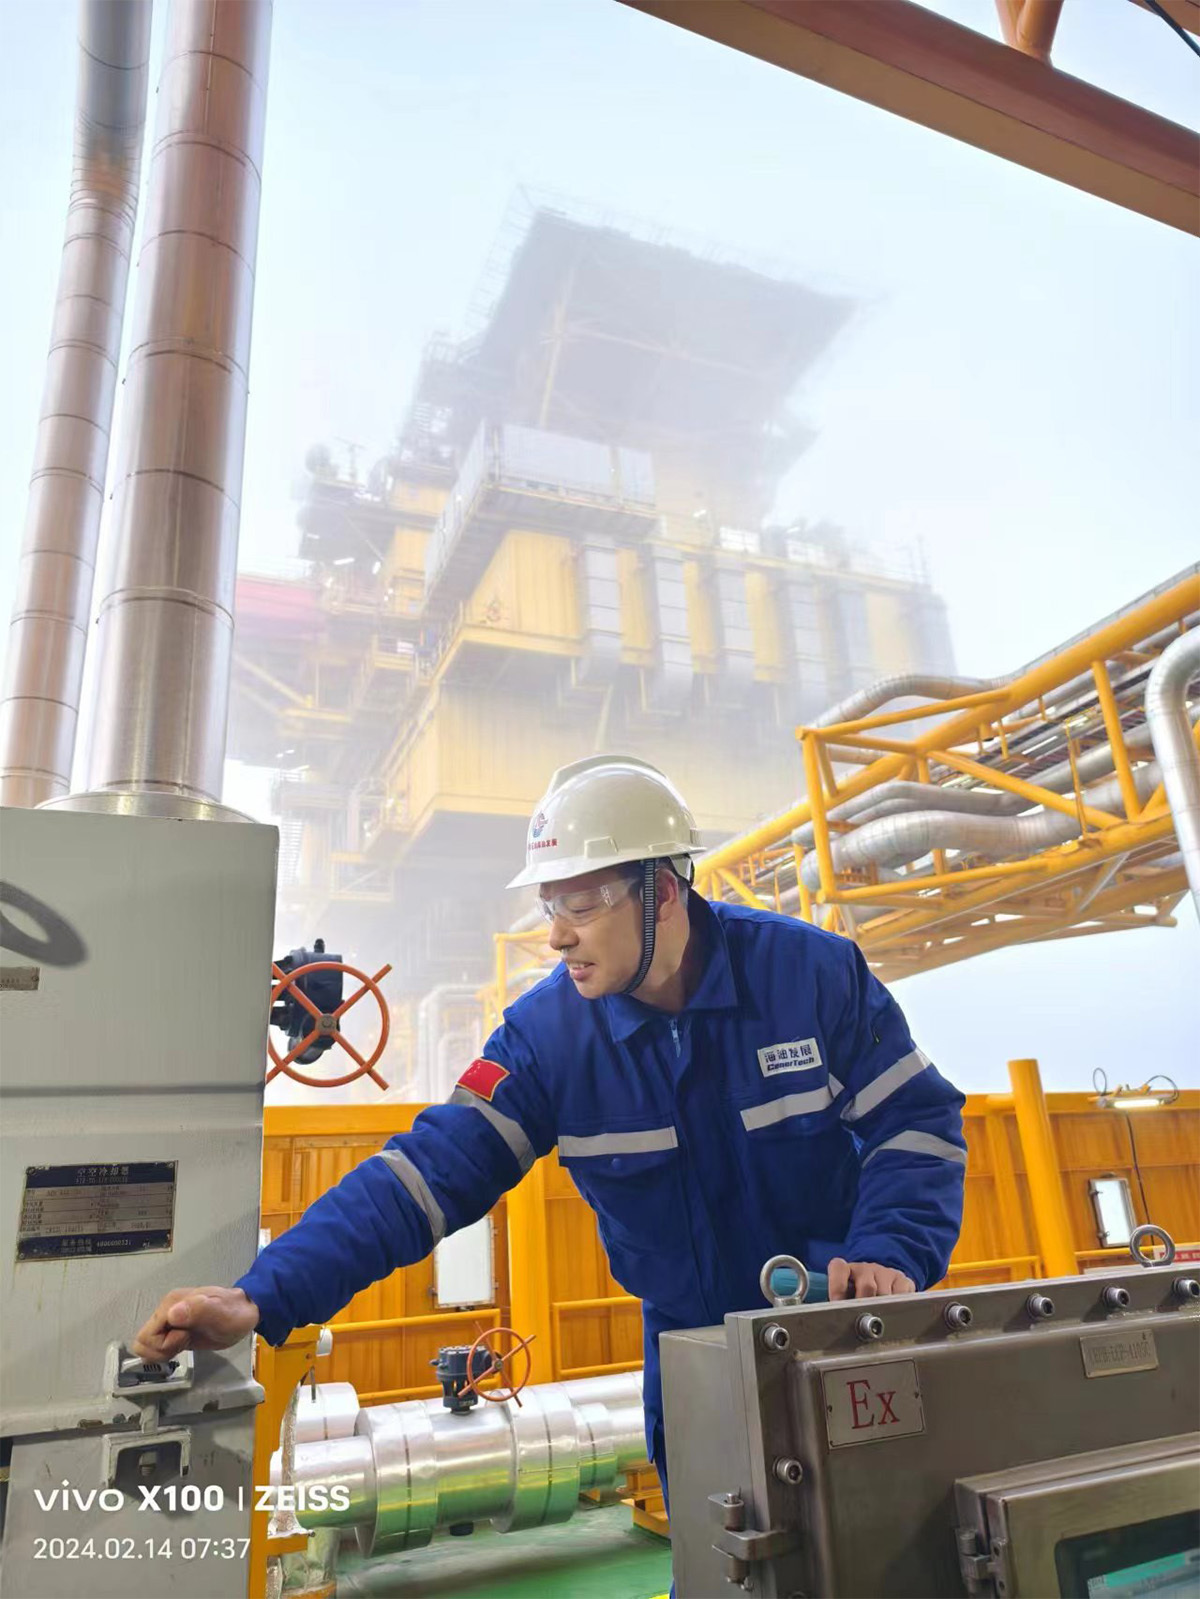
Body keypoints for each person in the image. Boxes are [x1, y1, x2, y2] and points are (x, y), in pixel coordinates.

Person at [133, 755, 966, 1506]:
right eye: (548, 904)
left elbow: (916, 1121)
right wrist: (264, 1293)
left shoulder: (809, 975)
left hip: (843, 1334)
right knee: (726, 1554)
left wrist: (890, 1251)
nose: (557, 932)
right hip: (693, 1354)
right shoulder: (548, 1038)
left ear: (663, 891)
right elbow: (424, 1174)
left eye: (581, 902)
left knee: (881, 1540)